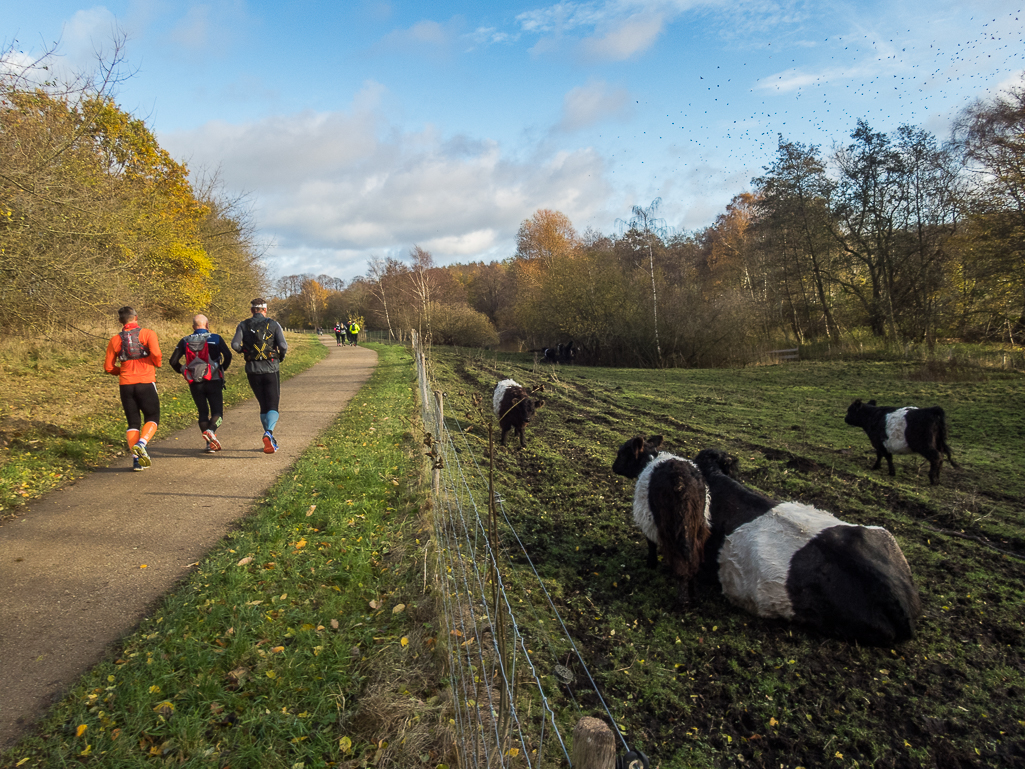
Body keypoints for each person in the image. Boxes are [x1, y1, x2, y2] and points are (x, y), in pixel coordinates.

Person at [104, 306, 162, 471]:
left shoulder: (115, 340)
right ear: (136, 317)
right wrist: (157, 364)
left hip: (126, 385)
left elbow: (108, 367)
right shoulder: (148, 334)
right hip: (146, 382)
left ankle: (136, 460)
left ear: (120, 321)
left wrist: (121, 372)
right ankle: (142, 444)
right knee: (152, 417)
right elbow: (156, 354)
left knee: (133, 422)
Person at [169, 314, 233, 453]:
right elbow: (228, 355)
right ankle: (211, 431)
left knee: (202, 412)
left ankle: (209, 444)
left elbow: (172, 361)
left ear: (193, 327)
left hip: (195, 381)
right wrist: (222, 368)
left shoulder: (184, 341)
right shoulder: (216, 338)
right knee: (218, 413)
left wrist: (183, 371)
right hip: (214, 379)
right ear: (207, 325)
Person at [231, 298, 288, 454]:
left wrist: (245, 351)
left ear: (252, 310)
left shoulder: (243, 325)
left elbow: (235, 345)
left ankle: (269, 438)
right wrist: (280, 357)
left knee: (263, 405)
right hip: (271, 369)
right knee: (273, 405)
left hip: (252, 370)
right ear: (265, 309)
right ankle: (269, 433)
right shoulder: (274, 324)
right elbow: (283, 346)